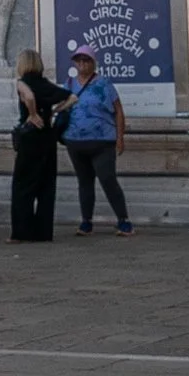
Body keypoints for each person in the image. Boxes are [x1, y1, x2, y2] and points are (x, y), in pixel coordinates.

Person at [61, 42, 133, 234]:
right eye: (78, 60)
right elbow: (61, 107)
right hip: (75, 141)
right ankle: (86, 221)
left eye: (86, 60)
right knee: (84, 182)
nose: (82, 64)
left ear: (93, 63)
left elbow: (118, 111)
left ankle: (123, 220)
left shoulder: (104, 84)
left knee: (107, 179)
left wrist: (120, 137)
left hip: (102, 141)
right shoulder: (69, 84)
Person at [8, 51, 65, 243]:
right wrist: (54, 111)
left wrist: (32, 114)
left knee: (22, 186)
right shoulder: (46, 84)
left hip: (30, 137)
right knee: (46, 186)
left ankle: (21, 232)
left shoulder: (22, 82)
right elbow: (72, 97)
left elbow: (30, 96)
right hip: (47, 137)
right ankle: (43, 232)